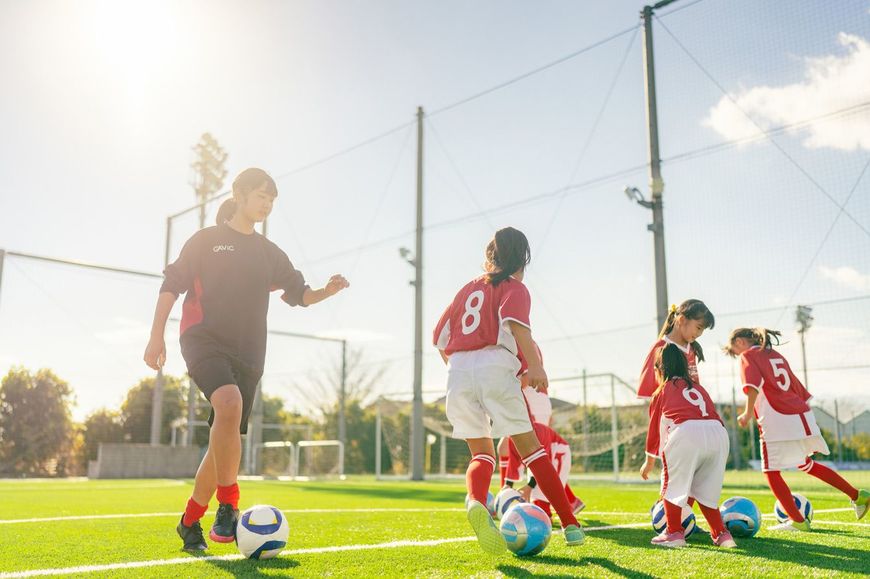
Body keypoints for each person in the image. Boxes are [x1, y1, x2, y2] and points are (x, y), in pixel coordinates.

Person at [144, 168, 349, 551]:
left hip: (250, 353)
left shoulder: (269, 253)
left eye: (271, 198)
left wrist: (327, 291)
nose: (266, 204)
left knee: (223, 437)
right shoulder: (206, 241)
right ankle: (229, 505)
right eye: (260, 195)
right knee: (229, 402)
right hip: (202, 338)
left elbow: (299, 294)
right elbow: (171, 284)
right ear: (238, 194)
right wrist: (156, 335)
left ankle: (189, 522)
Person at [433, 226, 584, 554]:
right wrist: (534, 366)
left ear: (490, 257)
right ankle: (570, 525)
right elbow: (516, 326)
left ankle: (476, 501)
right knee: (533, 451)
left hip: (457, 371)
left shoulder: (466, 290)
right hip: (496, 366)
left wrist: (461, 371)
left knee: (482, 453)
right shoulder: (514, 287)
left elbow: (439, 339)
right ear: (523, 259)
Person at [725, 327, 870, 529]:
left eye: (734, 351)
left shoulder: (749, 355)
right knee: (806, 464)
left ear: (740, 342)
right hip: (801, 413)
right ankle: (858, 495)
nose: (737, 355)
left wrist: (748, 412)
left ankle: (798, 521)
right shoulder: (776, 355)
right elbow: (798, 389)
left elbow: (752, 386)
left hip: (778, 418)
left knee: (770, 471)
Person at [640, 344, 734, 548]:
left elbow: (655, 431)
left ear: (660, 369)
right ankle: (722, 535)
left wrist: (649, 461)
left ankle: (674, 533)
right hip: (718, 434)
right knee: (706, 491)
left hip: (687, 432)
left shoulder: (662, 391)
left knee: (672, 484)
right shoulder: (698, 387)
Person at [637, 300, 715, 400]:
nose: (700, 333)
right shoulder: (659, 348)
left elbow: (694, 386)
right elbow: (648, 392)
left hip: (689, 410)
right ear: (682, 320)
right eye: (699, 327)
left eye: (703, 330)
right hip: (668, 412)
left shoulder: (691, 350)